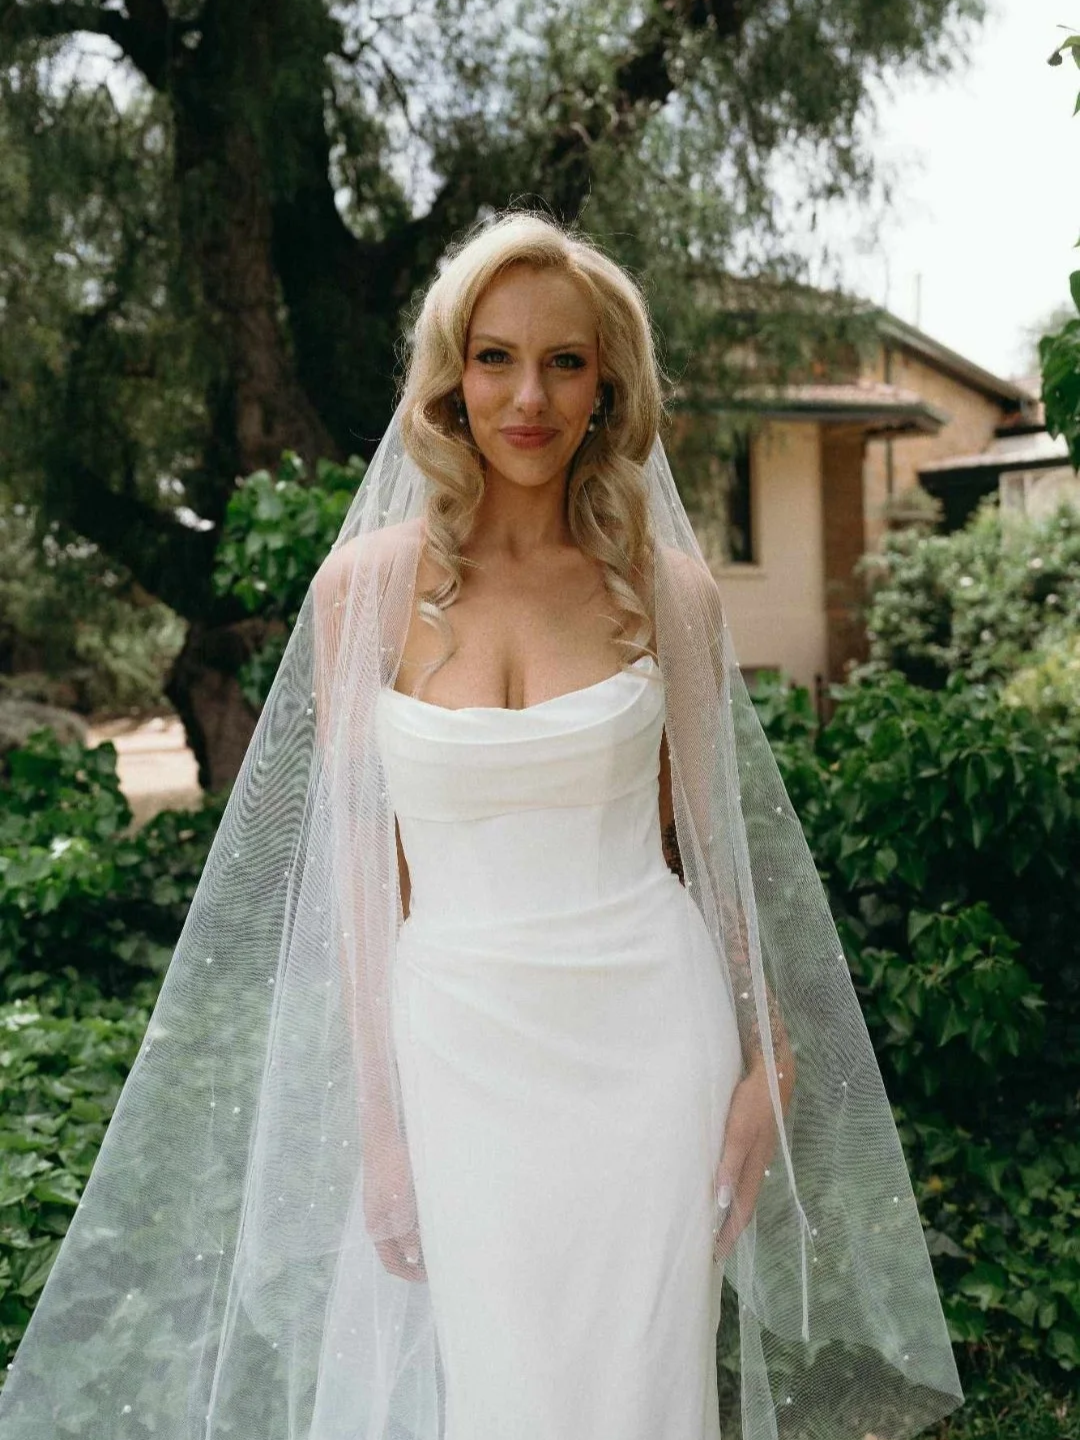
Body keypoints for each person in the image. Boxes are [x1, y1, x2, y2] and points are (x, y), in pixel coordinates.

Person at [0, 211, 963, 1440]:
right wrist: (382, 1131)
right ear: (452, 376)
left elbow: (717, 851)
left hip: (649, 1048)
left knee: (638, 1388)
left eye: (566, 361)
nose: (529, 396)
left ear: (608, 383)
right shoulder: (367, 588)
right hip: (455, 1051)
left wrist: (767, 1064)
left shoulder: (670, 593)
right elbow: (357, 879)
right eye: (496, 356)